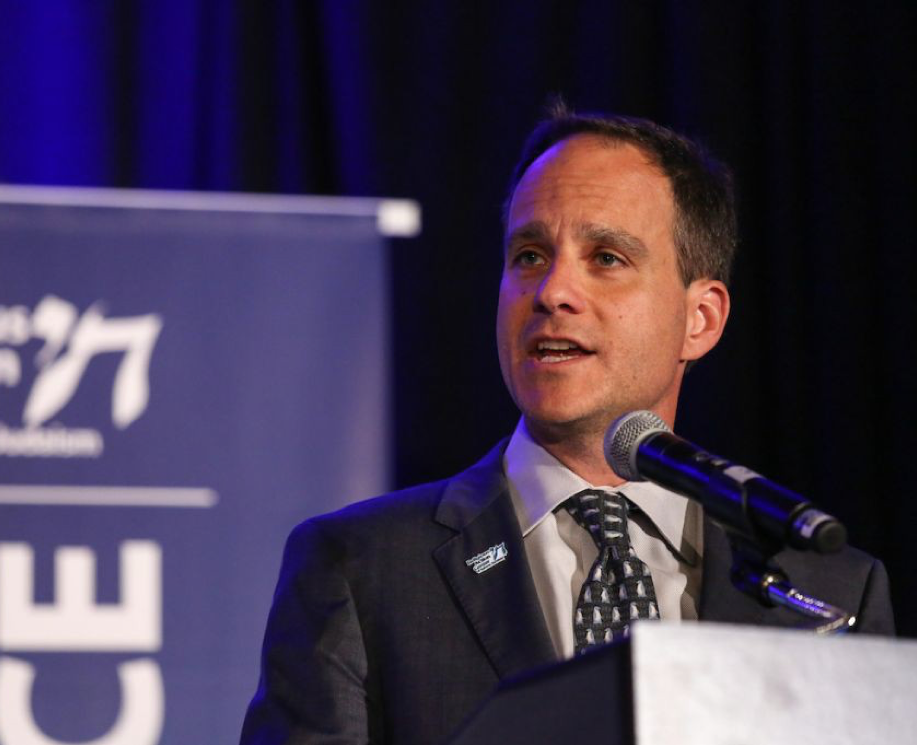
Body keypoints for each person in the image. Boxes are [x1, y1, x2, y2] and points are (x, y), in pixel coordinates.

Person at [240, 102, 895, 745]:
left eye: (606, 257)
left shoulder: (827, 592)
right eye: (529, 254)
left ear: (700, 319)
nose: (552, 291)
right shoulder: (363, 568)